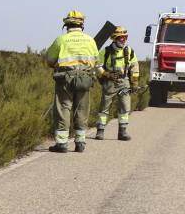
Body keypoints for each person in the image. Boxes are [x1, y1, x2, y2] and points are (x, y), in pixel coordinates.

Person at [43, 10, 99, 153]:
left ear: (66, 24)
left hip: (65, 80)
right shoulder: (90, 40)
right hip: (84, 79)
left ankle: (61, 144)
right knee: (82, 109)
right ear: (82, 24)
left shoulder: (61, 40)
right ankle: (80, 143)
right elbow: (96, 61)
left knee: (63, 108)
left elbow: (49, 60)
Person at [95, 26, 139, 141]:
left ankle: (122, 132)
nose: (123, 40)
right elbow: (97, 66)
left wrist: (134, 83)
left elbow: (135, 67)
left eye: (125, 37)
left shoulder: (129, 51)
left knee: (125, 108)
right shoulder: (105, 51)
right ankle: (100, 131)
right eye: (121, 37)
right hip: (110, 83)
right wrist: (106, 74)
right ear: (114, 38)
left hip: (124, 82)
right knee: (104, 107)